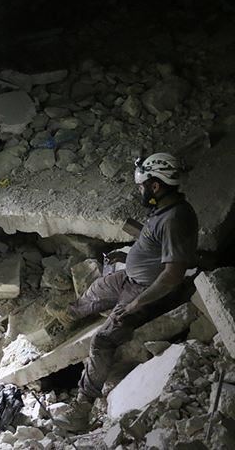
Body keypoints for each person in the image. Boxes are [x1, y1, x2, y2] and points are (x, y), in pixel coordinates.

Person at [54, 153, 198, 432]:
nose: (139, 190)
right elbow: (155, 245)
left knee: (102, 340)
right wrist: (129, 255)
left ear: (155, 186)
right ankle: (68, 317)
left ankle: (81, 408)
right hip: (130, 279)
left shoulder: (176, 218)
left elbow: (172, 274)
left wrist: (135, 305)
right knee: (96, 291)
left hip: (145, 290)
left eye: (142, 186)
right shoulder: (164, 209)